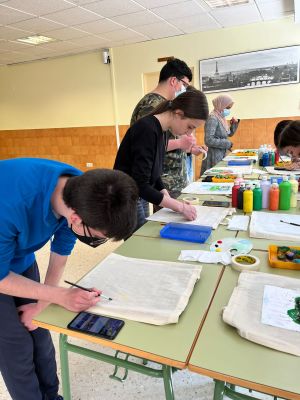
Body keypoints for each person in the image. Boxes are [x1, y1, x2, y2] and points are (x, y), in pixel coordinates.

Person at [0, 157, 138, 400]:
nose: (97, 241)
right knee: (16, 348)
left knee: (41, 331)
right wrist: (60, 295)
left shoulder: (80, 190)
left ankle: (51, 397)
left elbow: (60, 251)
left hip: (17, 255)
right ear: (76, 219)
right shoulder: (10, 203)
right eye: (98, 237)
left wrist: (42, 307)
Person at [114, 89, 209, 231]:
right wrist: (179, 206)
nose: (188, 133)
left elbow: (153, 170)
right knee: (139, 238)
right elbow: (140, 184)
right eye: (190, 127)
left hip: (138, 194)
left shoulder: (162, 131)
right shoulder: (147, 129)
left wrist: (164, 193)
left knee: (145, 232)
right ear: (178, 113)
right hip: (126, 196)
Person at [131, 58, 207, 199]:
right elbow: (145, 145)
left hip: (171, 181)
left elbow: (169, 140)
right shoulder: (152, 105)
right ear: (173, 81)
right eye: (184, 85)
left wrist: (190, 148)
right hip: (165, 181)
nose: (184, 90)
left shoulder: (167, 105)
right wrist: (180, 143)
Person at [200, 94, 240, 175]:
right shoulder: (212, 118)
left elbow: (229, 134)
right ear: (221, 104)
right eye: (227, 108)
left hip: (222, 154)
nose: (228, 110)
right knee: (213, 180)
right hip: (213, 157)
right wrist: (227, 143)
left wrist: (234, 124)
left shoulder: (221, 118)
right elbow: (208, 140)